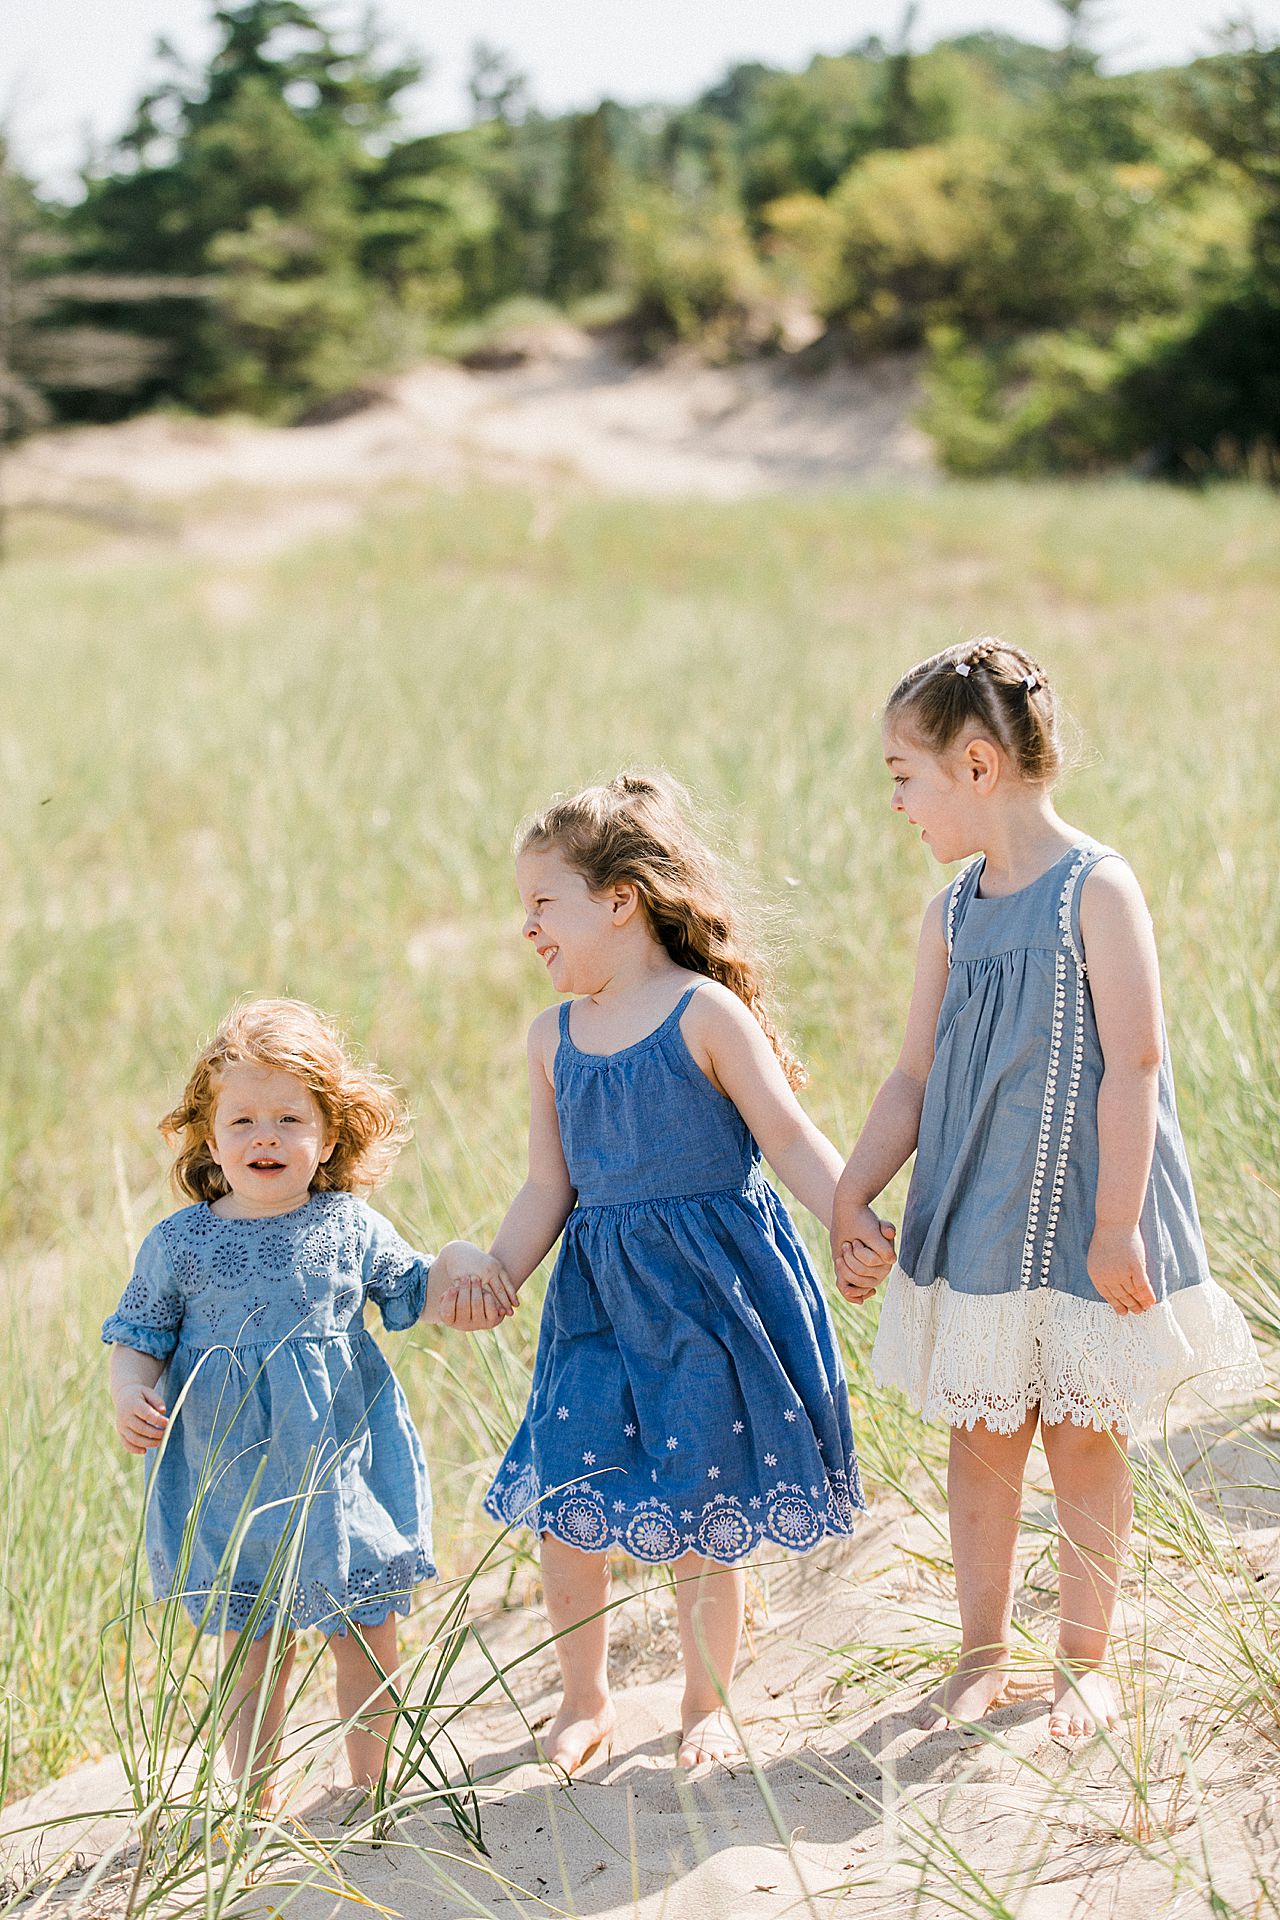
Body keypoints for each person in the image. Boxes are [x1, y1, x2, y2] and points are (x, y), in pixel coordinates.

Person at [832, 639, 1263, 1740]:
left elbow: (1135, 1062)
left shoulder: (1095, 888)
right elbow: (911, 1076)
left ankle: (1083, 1660)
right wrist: (852, 1191)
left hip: (1084, 1219)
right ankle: (980, 1654)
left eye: (900, 776)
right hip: (975, 1212)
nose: (894, 803)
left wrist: (1117, 1225)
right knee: (980, 1439)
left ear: (975, 768)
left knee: (1081, 1435)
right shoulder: (952, 915)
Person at [476, 773, 867, 1774]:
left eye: (540, 904)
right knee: (567, 1499)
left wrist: (848, 1218)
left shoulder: (702, 1014)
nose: (525, 928)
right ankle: (581, 1699)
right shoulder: (550, 1042)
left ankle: (706, 1703)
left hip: (705, 1298)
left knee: (702, 1508)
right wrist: (498, 1272)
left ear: (619, 900)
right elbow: (544, 1189)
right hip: (597, 1309)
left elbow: (785, 1134)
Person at [103, 997, 513, 1810]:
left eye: (289, 1118)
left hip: (337, 1472)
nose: (265, 1136)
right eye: (244, 1119)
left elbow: (413, 1288)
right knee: (254, 1649)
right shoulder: (179, 1243)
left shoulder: (347, 1225)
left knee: (365, 1626)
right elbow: (138, 1331)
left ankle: (372, 1788)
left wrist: (464, 1262)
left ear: (328, 1137)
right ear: (211, 1141)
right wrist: (131, 1391)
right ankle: (253, 1801)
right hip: (234, 1482)